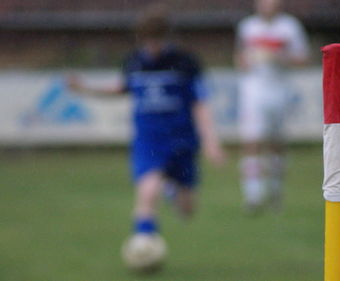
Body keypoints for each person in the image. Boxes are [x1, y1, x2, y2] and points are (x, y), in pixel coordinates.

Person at [69, 7, 224, 247]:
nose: (153, 47)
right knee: (149, 190)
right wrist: (86, 88)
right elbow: (121, 88)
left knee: (187, 210)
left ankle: (172, 189)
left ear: (167, 37)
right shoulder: (134, 61)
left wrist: (210, 142)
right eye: (148, 41)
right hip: (149, 140)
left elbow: (200, 104)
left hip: (182, 140)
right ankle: (143, 244)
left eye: (157, 40)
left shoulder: (185, 62)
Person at [234, 0, 309, 213]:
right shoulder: (247, 26)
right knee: (251, 140)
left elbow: (303, 59)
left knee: (276, 142)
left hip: (279, 90)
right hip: (254, 90)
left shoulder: (289, 27)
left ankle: (275, 192)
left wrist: (279, 58)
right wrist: (245, 61)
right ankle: (253, 195)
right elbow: (239, 57)